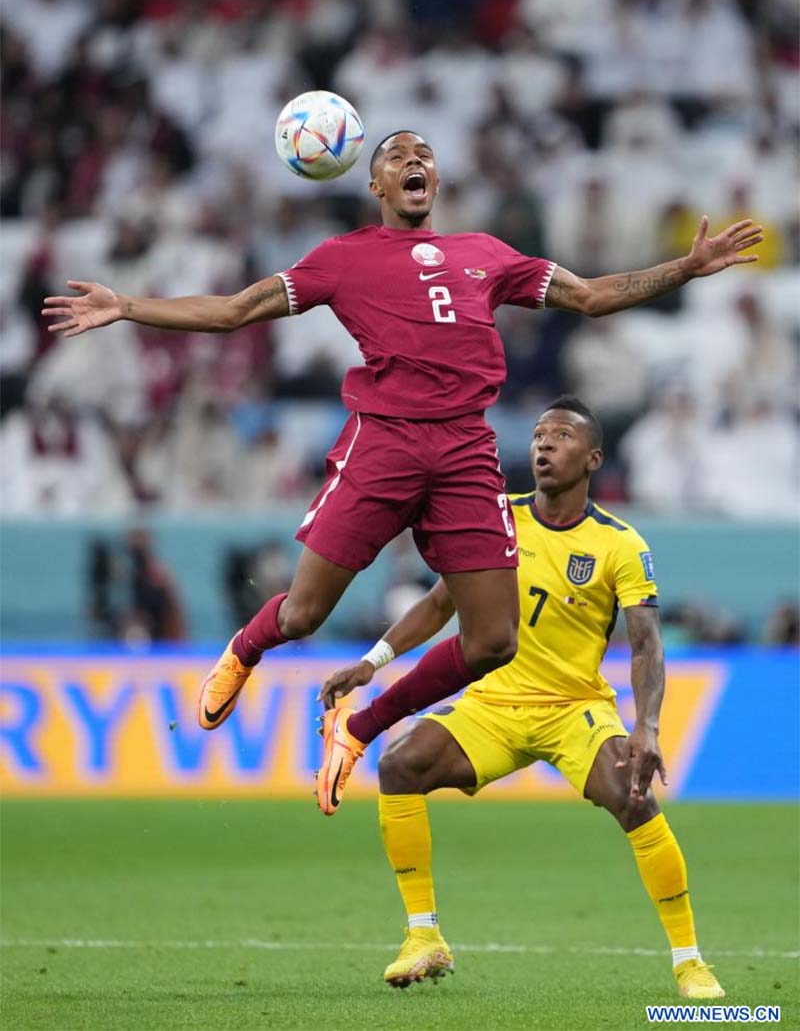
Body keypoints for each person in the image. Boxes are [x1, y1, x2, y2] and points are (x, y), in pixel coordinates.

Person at [42, 130, 762, 751]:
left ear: (435, 181)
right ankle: (245, 647)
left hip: (465, 449)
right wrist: (127, 305)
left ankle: (361, 728)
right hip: (384, 442)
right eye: (396, 155)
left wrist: (685, 267)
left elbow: (592, 296)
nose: (414, 160)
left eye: (424, 154)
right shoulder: (342, 257)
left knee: (494, 641)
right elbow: (234, 311)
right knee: (303, 612)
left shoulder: (484, 252)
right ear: (376, 184)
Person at [318, 397, 725, 1000]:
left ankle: (690, 963)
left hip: (574, 709)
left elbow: (646, 645)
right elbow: (440, 604)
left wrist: (648, 727)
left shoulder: (619, 543)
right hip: (494, 705)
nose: (544, 445)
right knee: (401, 765)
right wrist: (372, 662)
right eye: (538, 435)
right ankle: (423, 935)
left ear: (593, 458)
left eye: (561, 436)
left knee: (634, 799)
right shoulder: (497, 520)